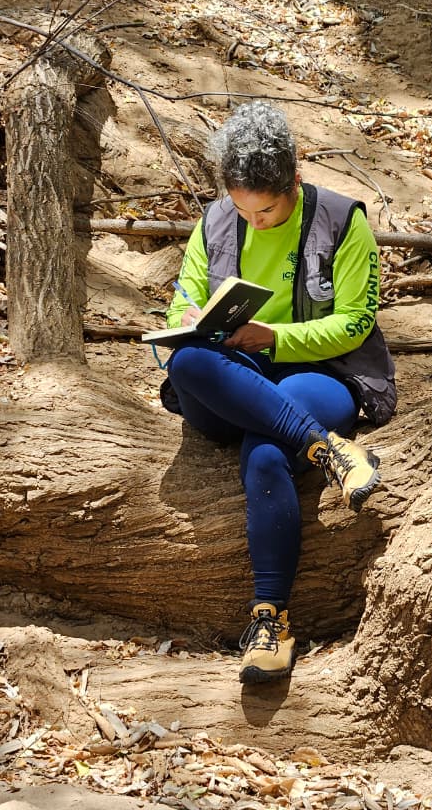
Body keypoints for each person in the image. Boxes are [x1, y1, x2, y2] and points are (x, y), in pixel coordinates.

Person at [161, 101, 396, 683]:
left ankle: (271, 622)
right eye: (243, 211)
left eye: (266, 210)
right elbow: (179, 303)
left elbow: (355, 323)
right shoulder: (215, 221)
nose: (254, 222)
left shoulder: (343, 221)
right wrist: (188, 315)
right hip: (231, 380)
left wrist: (274, 338)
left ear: (294, 177)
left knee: (265, 452)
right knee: (189, 358)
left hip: (323, 373)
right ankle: (327, 448)